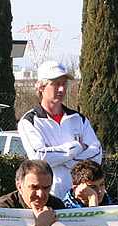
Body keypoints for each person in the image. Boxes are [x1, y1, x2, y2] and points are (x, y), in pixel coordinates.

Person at [18, 60, 102, 199]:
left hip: (80, 198)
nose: (62, 89)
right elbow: (39, 158)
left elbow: (96, 156)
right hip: (49, 199)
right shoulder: (29, 121)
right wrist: (78, 147)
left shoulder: (79, 119)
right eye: (56, 84)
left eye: (64, 84)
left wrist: (57, 156)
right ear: (41, 87)